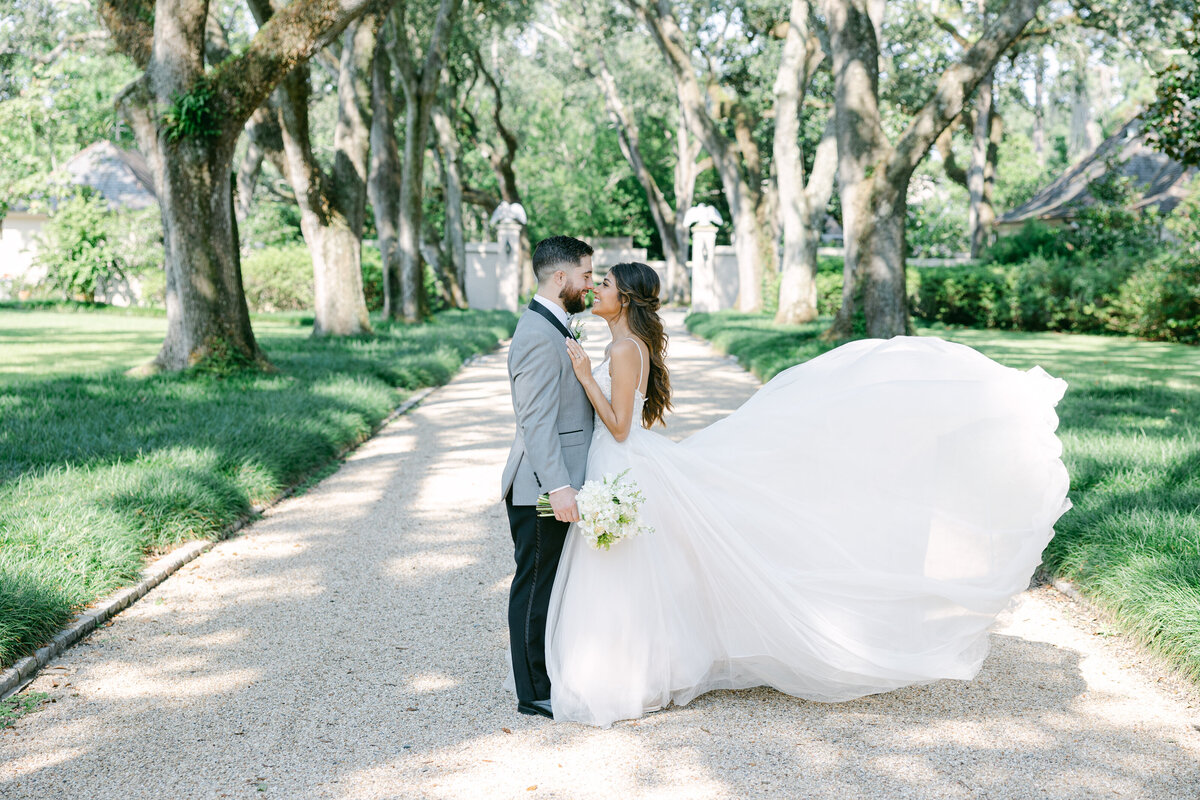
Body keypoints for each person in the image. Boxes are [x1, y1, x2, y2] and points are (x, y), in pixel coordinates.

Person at [543, 261, 1072, 728]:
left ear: (626, 299)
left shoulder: (619, 348)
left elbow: (617, 426)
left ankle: (622, 673)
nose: (597, 289)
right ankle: (640, 667)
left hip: (623, 458)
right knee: (638, 566)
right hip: (628, 463)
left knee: (625, 567)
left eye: (605, 283)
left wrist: (587, 377)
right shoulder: (628, 343)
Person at [500, 236, 594, 719]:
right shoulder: (537, 334)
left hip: (555, 482)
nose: (589, 284)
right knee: (535, 586)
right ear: (561, 278)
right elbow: (534, 420)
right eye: (585, 275)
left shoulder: (555, 323)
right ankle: (534, 691)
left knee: (552, 583)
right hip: (540, 487)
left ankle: (549, 675)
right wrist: (558, 487)